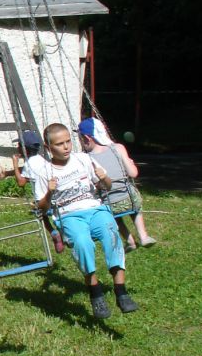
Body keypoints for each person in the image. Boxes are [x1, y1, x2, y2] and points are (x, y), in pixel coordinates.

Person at [34, 123, 138, 319]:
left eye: (68, 141)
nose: (66, 147)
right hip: (69, 215)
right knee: (82, 243)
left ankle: (121, 292)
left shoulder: (83, 159)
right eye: (59, 144)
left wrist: (104, 178)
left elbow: (106, 187)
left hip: (95, 208)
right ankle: (95, 293)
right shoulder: (44, 172)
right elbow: (42, 208)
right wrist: (49, 192)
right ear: (48, 148)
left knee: (111, 233)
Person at [77, 117, 156, 250]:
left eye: (80, 138)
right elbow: (133, 173)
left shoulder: (86, 158)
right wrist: (130, 163)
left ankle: (130, 241)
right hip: (129, 199)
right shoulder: (118, 148)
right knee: (136, 208)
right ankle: (143, 236)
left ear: (87, 138)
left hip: (109, 204)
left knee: (114, 217)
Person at [0, 130, 65, 253]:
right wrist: (7, 173)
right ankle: (60, 231)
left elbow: (21, 182)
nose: (17, 148)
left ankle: (54, 232)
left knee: (41, 215)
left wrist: (14, 164)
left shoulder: (29, 164)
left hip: (43, 199)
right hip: (55, 196)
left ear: (25, 149)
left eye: (19, 145)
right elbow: (24, 170)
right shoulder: (40, 160)